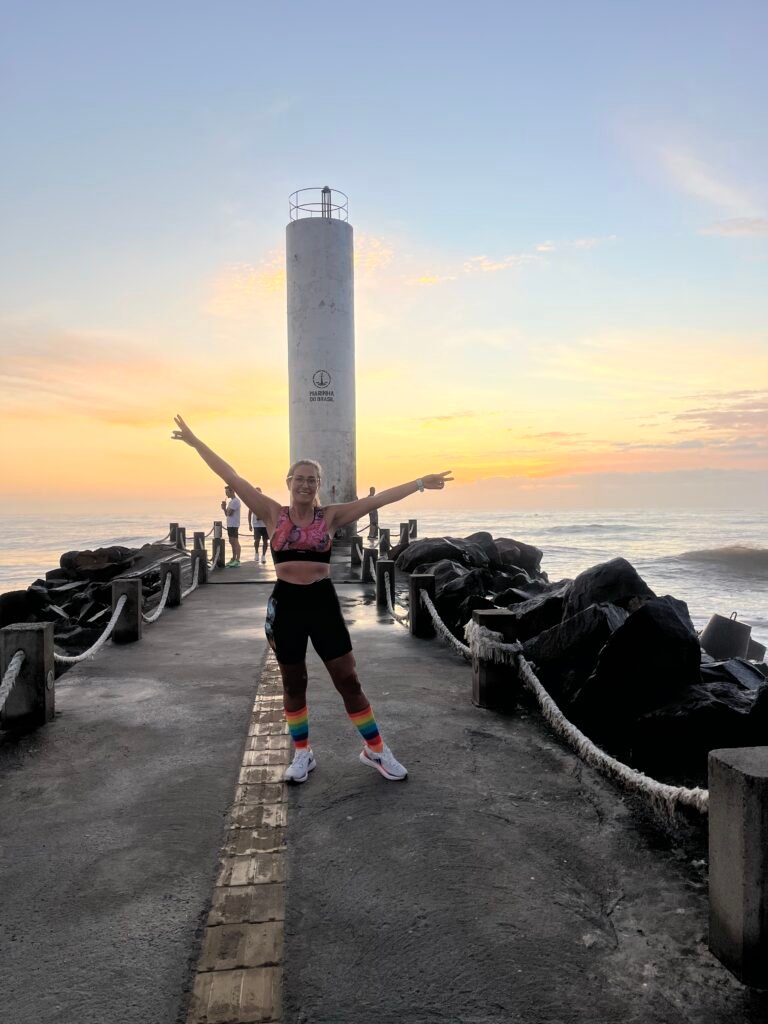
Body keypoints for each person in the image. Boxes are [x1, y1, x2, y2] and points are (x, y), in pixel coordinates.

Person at [172, 414, 453, 784]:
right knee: (293, 682)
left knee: (348, 679)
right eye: (299, 478)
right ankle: (303, 754)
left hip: (322, 603)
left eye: (312, 480)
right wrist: (196, 444)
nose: (305, 484)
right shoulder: (273, 513)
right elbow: (232, 476)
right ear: (289, 483)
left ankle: (376, 750)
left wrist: (418, 483)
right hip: (286, 604)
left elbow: (378, 500)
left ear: (318, 485)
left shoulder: (331, 516)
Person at [221, 485, 242, 567]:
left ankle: (237, 560)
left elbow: (230, 513)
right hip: (230, 524)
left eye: (227, 492)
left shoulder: (236, 501)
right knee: (231, 541)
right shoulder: (231, 502)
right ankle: (233, 558)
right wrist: (224, 509)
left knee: (235, 541)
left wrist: (225, 508)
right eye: (225, 492)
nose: (226, 494)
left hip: (234, 524)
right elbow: (227, 514)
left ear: (232, 491)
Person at [248, 488, 269, 564]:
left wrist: (262, 516)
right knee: (257, 540)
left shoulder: (265, 501)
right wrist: (249, 524)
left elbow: (268, 512)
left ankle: (263, 556)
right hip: (256, 525)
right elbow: (249, 513)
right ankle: (256, 552)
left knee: (265, 541)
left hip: (265, 525)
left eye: (258, 492)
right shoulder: (252, 502)